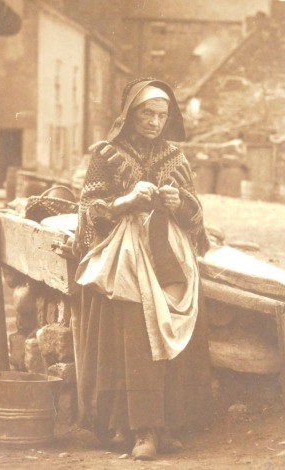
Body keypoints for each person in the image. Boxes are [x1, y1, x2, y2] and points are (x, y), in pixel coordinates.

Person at [73, 78, 213, 461]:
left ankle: (169, 423)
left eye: (162, 115)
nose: (154, 121)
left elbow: (197, 218)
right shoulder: (107, 154)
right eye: (147, 113)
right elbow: (88, 212)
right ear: (130, 114)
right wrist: (126, 201)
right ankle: (140, 429)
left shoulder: (175, 158)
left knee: (182, 316)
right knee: (135, 324)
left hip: (167, 252)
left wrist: (180, 201)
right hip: (126, 254)